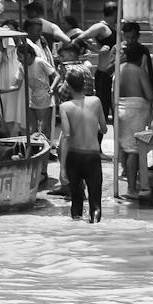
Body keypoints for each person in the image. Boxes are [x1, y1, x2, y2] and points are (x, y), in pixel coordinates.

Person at [58, 68, 106, 222]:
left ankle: (77, 236)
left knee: (76, 203)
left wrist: (62, 167)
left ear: (68, 86)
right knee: (96, 205)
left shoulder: (65, 107)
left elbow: (66, 136)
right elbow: (104, 128)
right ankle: (96, 231)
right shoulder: (96, 101)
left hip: (74, 157)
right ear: (84, 84)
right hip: (92, 157)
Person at [116, 41, 153, 198]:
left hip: (120, 107)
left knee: (126, 147)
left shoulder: (119, 69)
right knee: (133, 149)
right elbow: (149, 95)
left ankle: (129, 182)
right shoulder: (139, 71)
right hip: (136, 110)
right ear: (141, 58)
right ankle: (131, 189)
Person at [72, 2, 118, 122]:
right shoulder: (101, 27)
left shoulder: (114, 27)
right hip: (104, 72)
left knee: (113, 106)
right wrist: (97, 50)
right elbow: (79, 38)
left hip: (114, 72)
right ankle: (97, 138)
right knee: (103, 106)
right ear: (114, 13)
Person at [20, 42, 57, 138]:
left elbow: (56, 76)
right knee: (33, 129)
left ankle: (46, 148)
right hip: (33, 98)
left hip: (45, 98)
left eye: (19, 56)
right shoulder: (22, 66)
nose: (18, 59)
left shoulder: (40, 62)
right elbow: (17, 82)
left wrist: (52, 88)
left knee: (45, 128)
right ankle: (35, 149)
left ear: (28, 55)